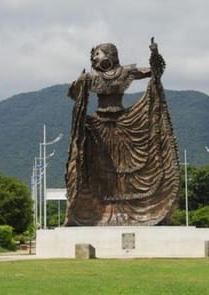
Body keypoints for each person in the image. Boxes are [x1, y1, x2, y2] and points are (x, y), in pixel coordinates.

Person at [64, 38, 180, 226]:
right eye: (93, 55)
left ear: (110, 55)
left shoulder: (126, 72)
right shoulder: (91, 78)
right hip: (98, 127)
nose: (94, 58)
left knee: (127, 169)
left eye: (98, 54)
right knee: (95, 167)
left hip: (125, 122)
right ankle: (99, 211)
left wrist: (154, 54)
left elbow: (155, 72)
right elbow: (73, 94)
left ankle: (136, 209)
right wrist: (79, 82)